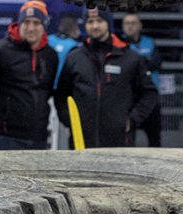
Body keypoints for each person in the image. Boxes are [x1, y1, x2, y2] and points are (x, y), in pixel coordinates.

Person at [54, 9, 157, 149]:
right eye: (90, 21)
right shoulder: (74, 58)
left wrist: (132, 120)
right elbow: (61, 95)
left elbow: (149, 93)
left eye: (99, 21)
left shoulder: (130, 58)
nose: (95, 26)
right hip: (81, 142)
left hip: (119, 142)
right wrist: (70, 121)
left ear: (108, 23)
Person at [0, 0, 56, 151]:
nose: (31, 28)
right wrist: (0, 117)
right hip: (6, 137)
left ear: (44, 25)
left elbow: (47, 91)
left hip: (38, 137)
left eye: (36, 23)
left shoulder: (50, 55)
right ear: (19, 23)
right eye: (26, 22)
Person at [118, 12, 164, 147]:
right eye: (127, 23)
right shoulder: (119, 44)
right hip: (128, 96)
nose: (130, 26)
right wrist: (143, 60)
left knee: (154, 136)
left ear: (140, 26)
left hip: (149, 95)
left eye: (133, 23)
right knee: (128, 135)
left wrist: (136, 64)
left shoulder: (149, 42)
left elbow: (156, 63)